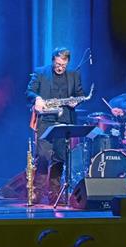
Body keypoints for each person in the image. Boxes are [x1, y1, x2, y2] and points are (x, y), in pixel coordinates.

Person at [26, 47, 84, 203]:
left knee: (59, 158)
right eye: (57, 64)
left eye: (63, 65)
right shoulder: (40, 72)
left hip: (64, 120)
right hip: (45, 121)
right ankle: (37, 192)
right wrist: (37, 99)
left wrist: (75, 101)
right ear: (53, 60)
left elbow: (79, 94)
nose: (60, 68)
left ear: (67, 63)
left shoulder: (74, 75)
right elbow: (29, 91)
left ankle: (54, 194)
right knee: (43, 156)